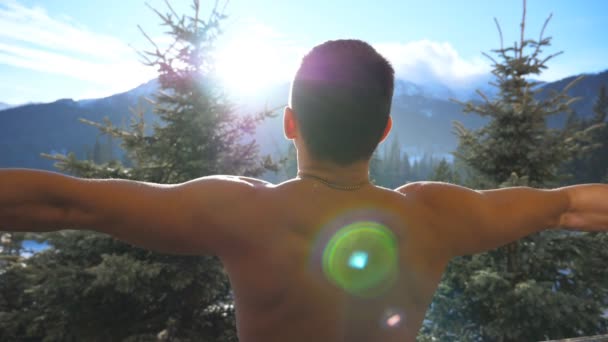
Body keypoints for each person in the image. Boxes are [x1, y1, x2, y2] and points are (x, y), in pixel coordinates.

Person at [0, 39, 606, 342]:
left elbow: (66, 201)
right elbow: (568, 205)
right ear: (385, 129)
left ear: (290, 123)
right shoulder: (437, 217)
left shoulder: (241, 210)